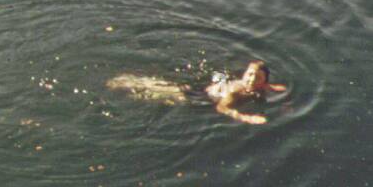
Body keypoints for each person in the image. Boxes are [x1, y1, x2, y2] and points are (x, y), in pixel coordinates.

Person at [107, 59, 287, 125]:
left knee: (165, 89)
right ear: (244, 74)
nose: (250, 79)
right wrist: (246, 118)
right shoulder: (238, 91)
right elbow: (222, 108)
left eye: (256, 77)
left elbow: (276, 90)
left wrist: (287, 104)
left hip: (209, 88)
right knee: (160, 93)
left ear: (264, 80)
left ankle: (126, 82)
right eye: (249, 74)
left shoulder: (263, 87)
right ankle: (123, 83)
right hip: (200, 97)